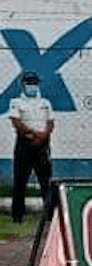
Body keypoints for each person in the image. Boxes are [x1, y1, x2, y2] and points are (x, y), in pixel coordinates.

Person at [9, 70, 53, 223]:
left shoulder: (45, 103)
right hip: (25, 144)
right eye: (29, 83)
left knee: (46, 181)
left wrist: (44, 135)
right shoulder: (16, 102)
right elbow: (16, 121)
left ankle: (49, 215)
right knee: (20, 181)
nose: (31, 86)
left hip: (42, 144)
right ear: (23, 85)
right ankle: (18, 216)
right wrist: (33, 133)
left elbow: (50, 122)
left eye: (34, 83)